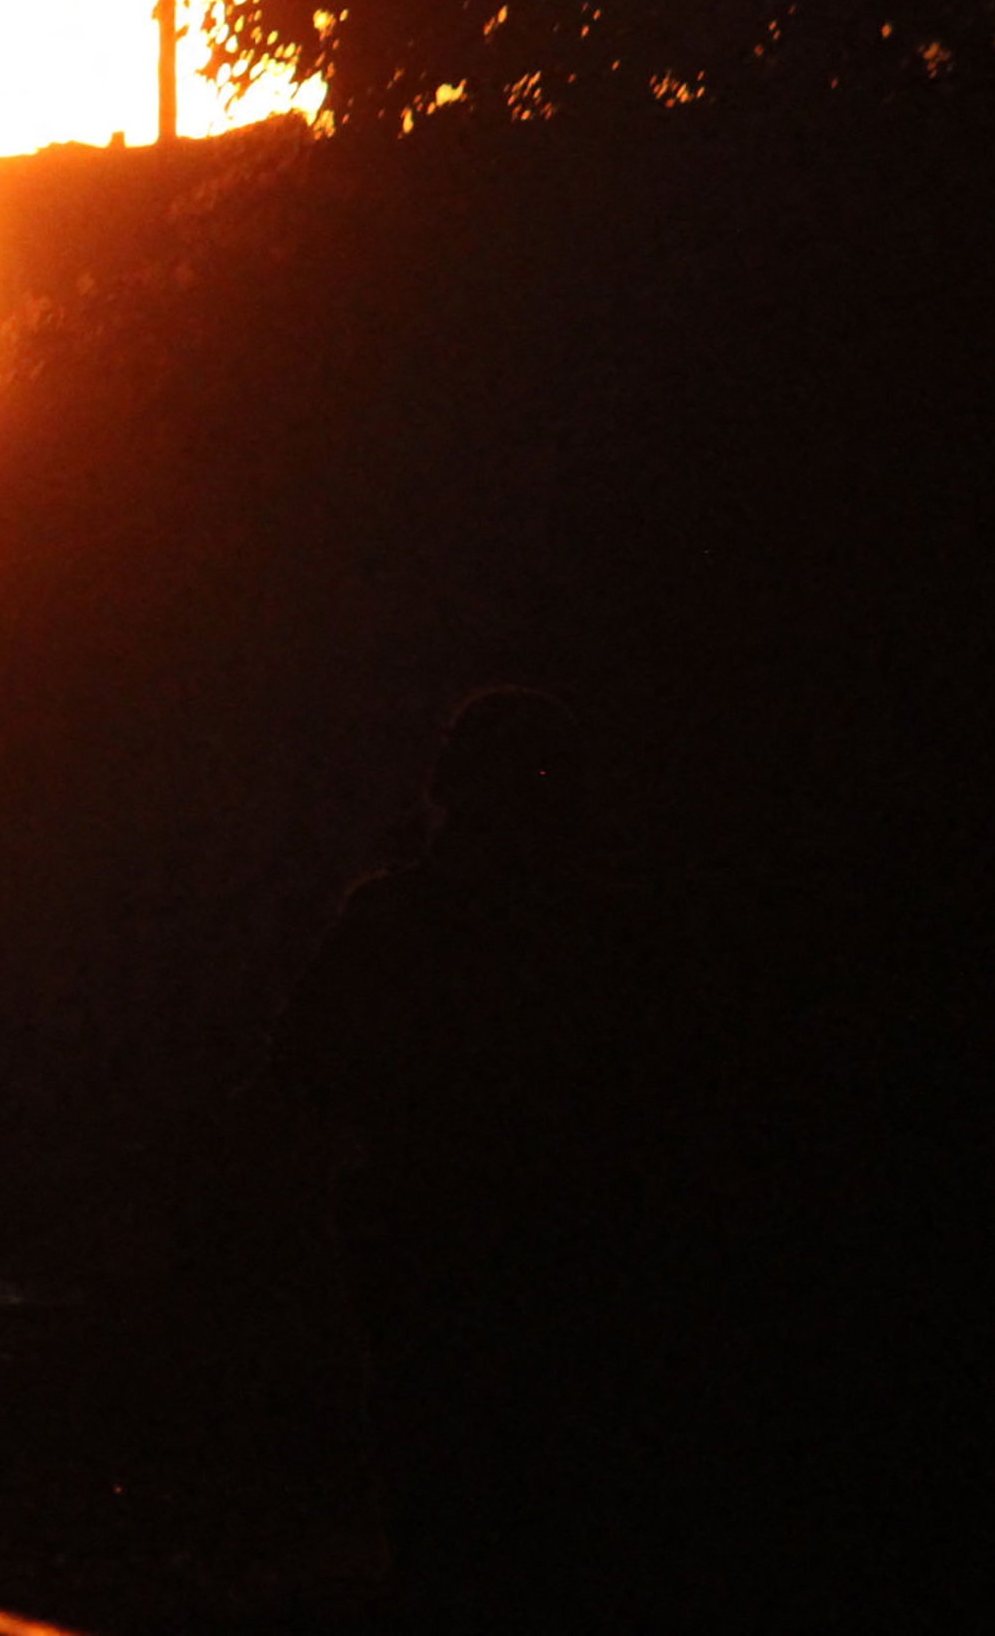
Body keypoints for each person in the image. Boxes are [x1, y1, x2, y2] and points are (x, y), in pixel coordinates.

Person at [277, 688, 666, 1630]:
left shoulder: (404, 922)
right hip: (519, 1231)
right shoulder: (590, 933)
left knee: (442, 1454)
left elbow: (305, 1079)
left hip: (443, 1226)